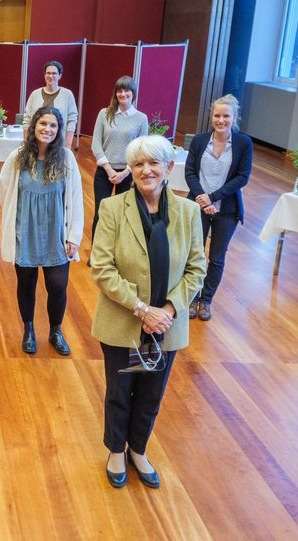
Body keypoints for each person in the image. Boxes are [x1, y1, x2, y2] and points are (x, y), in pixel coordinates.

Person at [90, 135, 206, 489]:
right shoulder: (112, 209)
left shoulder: (188, 212)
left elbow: (196, 268)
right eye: (138, 164)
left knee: (152, 393)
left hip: (167, 324)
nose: (146, 170)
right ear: (130, 170)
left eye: (154, 163)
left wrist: (167, 309)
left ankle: (138, 449)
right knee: (120, 391)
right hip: (125, 321)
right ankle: (115, 450)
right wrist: (143, 310)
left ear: (169, 168)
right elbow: (102, 268)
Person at [0, 106, 83, 355]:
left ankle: (56, 331)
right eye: (43, 124)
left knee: (57, 285)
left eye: (53, 126)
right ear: (34, 126)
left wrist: (74, 236)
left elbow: (76, 199)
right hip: (25, 233)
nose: (48, 129)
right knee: (26, 284)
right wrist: (14, 226)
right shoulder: (18, 157)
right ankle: (29, 329)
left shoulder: (67, 159)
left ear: (58, 131)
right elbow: (6, 190)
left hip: (56, 235)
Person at [184, 94, 253, 322]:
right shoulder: (199, 140)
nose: (220, 120)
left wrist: (212, 198)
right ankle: (192, 297)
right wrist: (203, 199)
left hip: (227, 209)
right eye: (217, 115)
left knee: (217, 258)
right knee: (194, 255)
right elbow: (190, 172)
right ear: (211, 116)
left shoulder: (244, 143)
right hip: (197, 206)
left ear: (234, 118)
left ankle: (206, 301)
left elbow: (242, 177)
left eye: (226, 116)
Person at [90, 76, 149, 245]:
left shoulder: (141, 118)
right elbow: (96, 144)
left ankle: (118, 252)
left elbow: (141, 149)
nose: (123, 94)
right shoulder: (104, 114)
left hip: (129, 173)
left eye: (126, 90)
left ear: (133, 93)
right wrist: (109, 170)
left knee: (123, 214)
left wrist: (125, 173)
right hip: (104, 172)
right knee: (100, 213)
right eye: (119, 91)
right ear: (115, 94)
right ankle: (97, 252)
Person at [22, 60, 79, 147]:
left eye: (54, 73)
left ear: (59, 76)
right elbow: (27, 119)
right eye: (48, 73)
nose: (50, 76)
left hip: (59, 143)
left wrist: (68, 144)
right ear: (45, 75)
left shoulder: (67, 94)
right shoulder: (35, 94)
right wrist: (26, 143)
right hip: (36, 142)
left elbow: (72, 120)